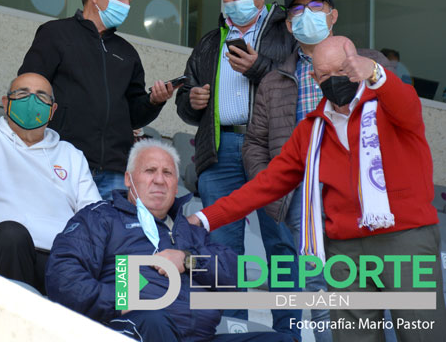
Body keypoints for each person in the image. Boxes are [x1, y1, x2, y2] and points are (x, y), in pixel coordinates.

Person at [189, 36, 446, 342]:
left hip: (405, 238)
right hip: (345, 250)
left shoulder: (389, 104)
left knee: (423, 334)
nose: (336, 79)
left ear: (358, 65)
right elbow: (266, 185)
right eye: (324, 75)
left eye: (344, 69)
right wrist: (205, 218)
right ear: (314, 78)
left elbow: (405, 101)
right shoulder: (311, 129)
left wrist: (377, 72)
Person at [243, 0, 390, 341]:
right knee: (321, 295)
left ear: (333, 16)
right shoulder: (276, 79)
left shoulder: (371, 63)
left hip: (365, 198)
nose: (307, 16)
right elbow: (254, 144)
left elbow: (400, 121)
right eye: (297, 11)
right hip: (303, 202)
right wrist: (276, 187)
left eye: (316, 7)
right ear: (289, 25)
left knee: (376, 293)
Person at [46, 139, 290, 342]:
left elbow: (232, 273)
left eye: (167, 173)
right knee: (154, 319)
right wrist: (117, 300)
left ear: (176, 186)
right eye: (149, 171)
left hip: (199, 336)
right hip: (129, 328)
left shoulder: (190, 230)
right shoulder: (101, 218)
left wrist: (187, 259)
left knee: (279, 340)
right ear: (129, 179)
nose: (159, 180)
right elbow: (63, 277)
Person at [175, 0, 300, 335]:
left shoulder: (286, 33)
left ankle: (287, 333)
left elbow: (295, 86)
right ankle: (233, 331)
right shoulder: (211, 40)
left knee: (280, 244)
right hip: (221, 147)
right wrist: (191, 100)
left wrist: (259, 68)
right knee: (222, 249)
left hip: (270, 149)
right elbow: (185, 98)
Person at [19, 0, 175, 200]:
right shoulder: (55, 34)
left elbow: (134, 115)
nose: (127, 5)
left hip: (114, 169)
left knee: (106, 236)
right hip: (61, 160)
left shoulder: (127, 52)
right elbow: (28, 89)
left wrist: (154, 101)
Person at [0, 68, 101, 293]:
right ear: (6, 103)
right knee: (12, 235)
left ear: (52, 110)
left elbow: (93, 216)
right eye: (23, 93)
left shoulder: (71, 155)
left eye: (42, 96)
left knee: (108, 266)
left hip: (54, 263)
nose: (32, 101)